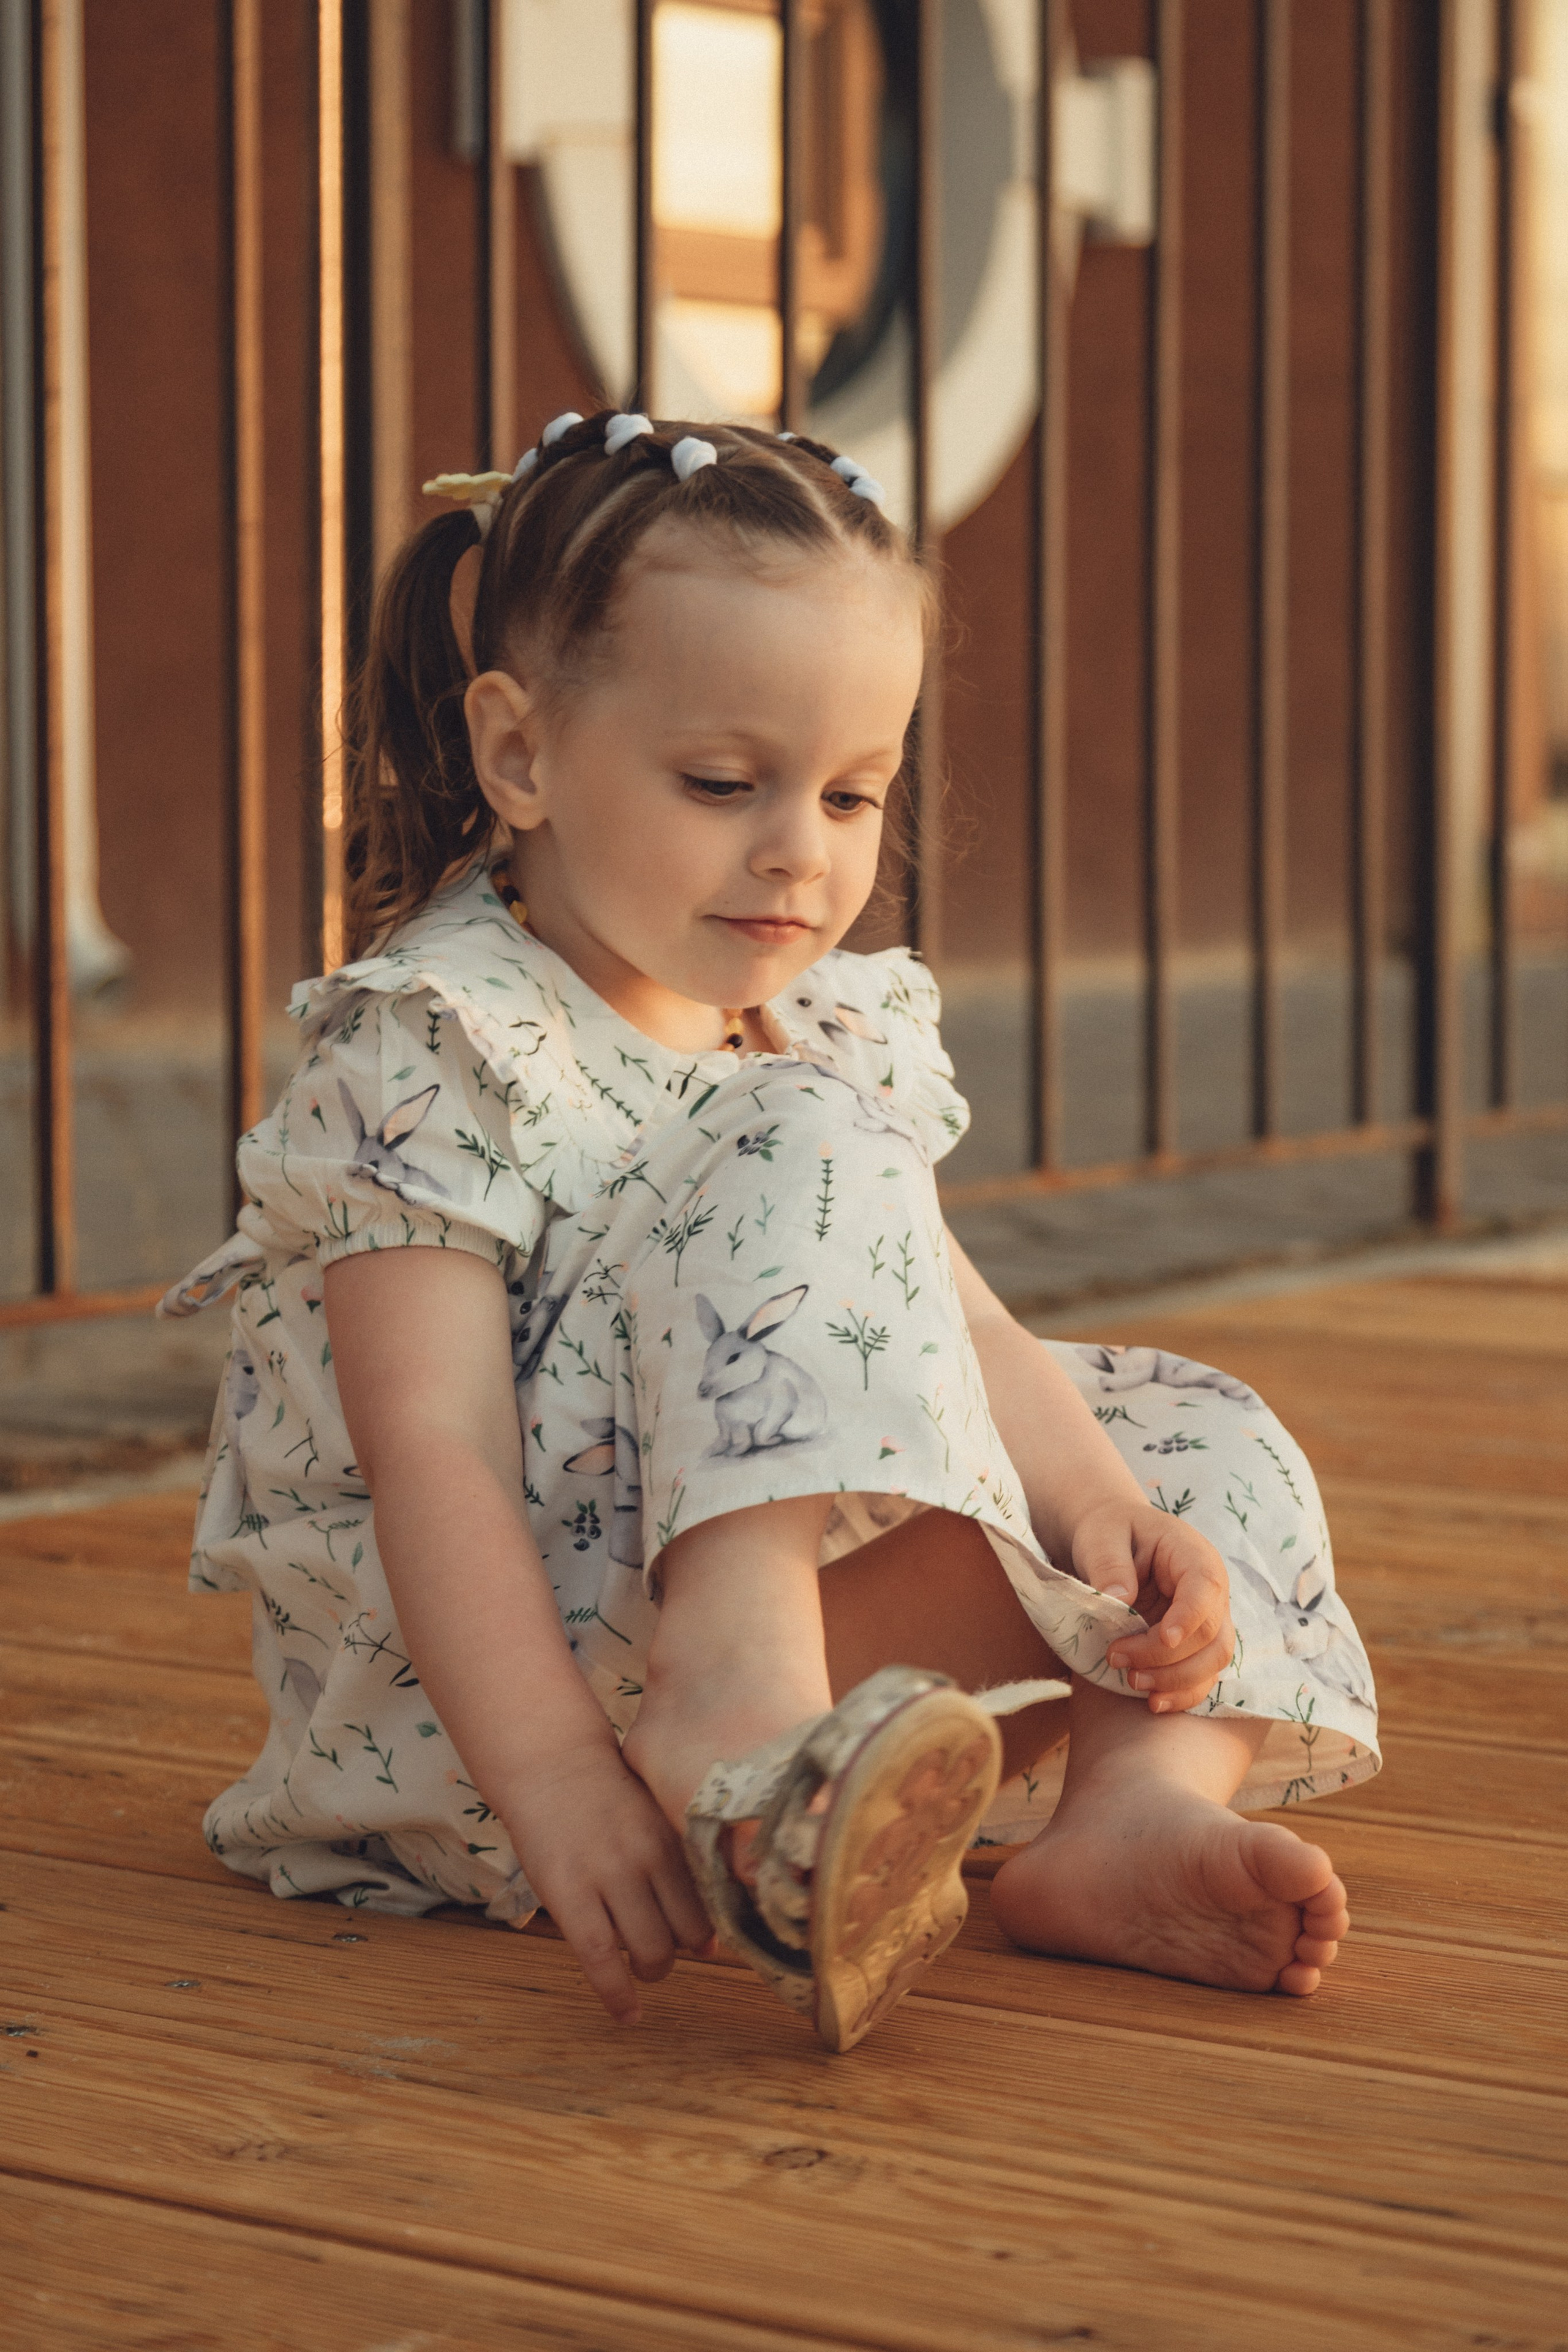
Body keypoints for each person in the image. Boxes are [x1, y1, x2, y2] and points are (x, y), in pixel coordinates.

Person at [162, 409, 1378, 2052]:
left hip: (763, 1719)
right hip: (495, 1745)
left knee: (1191, 1443)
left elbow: (966, 1327)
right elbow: (428, 1457)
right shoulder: (439, 1045)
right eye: (726, 782)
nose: (802, 850)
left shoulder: (812, 1029)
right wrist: (556, 1789)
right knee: (789, 1132)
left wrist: (1098, 1503)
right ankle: (736, 1706)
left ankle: (1126, 1820)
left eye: (856, 792)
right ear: (518, 755)